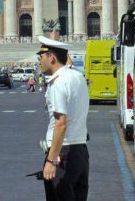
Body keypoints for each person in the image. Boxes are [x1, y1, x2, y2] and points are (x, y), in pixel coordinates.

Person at [36, 36, 90, 201]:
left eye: (41, 57)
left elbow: (61, 124)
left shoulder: (58, 83)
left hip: (63, 154)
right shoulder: (78, 77)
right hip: (80, 151)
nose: (39, 62)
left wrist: (51, 160)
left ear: (51, 57)